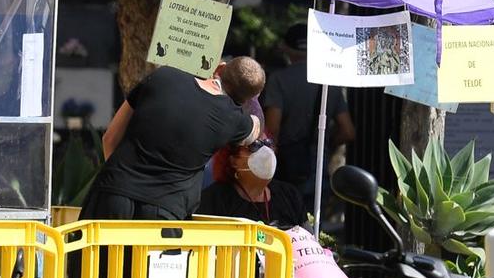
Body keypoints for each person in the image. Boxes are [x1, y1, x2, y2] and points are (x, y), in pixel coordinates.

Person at [83, 56, 257, 223]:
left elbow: (109, 138)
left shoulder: (163, 76)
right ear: (245, 99)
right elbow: (255, 129)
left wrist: (120, 183)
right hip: (164, 212)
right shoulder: (234, 119)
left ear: (220, 68)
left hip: (111, 196)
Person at [263, 24, 355, 207]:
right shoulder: (330, 82)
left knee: (285, 227)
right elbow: (348, 131)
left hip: (286, 169)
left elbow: (272, 130)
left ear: (287, 49)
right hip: (318, 167)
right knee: (314, 227)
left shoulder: (279, 80)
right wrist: (325, 144)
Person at [199, 131, 305, 228]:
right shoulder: (214, 200)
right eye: (255, 145)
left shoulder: (290, 196)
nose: (265, 151)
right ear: (233, 161)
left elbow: (309, 244)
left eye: (268, 144)